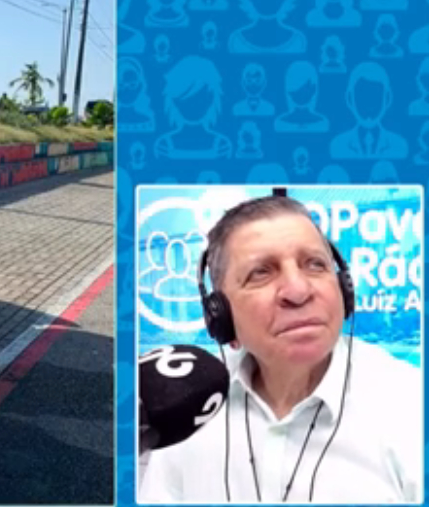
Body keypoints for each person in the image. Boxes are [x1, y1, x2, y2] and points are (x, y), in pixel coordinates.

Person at [141, 195, 422, 503]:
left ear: (344, 289)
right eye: (261, 272)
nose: (298, 291)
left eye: (315, 265)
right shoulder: (189, 406)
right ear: (220, 315)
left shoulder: (412, 406)